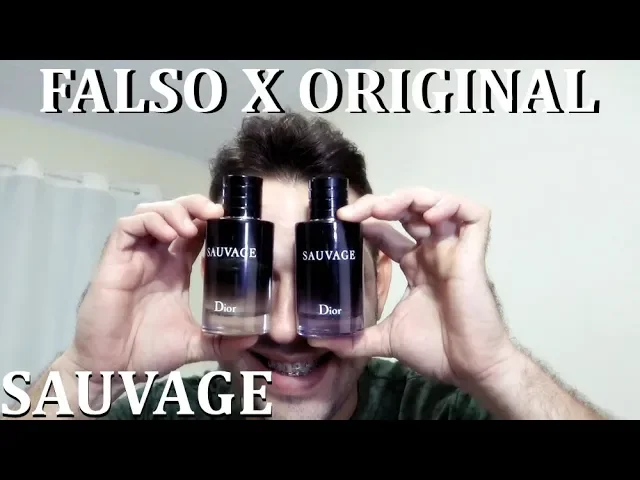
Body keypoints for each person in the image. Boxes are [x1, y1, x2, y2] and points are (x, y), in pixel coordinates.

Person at [11, 112, 606, 420]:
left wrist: (497, 368)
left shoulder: (447, 409)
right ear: (214, 281)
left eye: (324, 282)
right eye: (256, 280)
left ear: (378, 280)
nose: (285, 329)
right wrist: (86, 372)